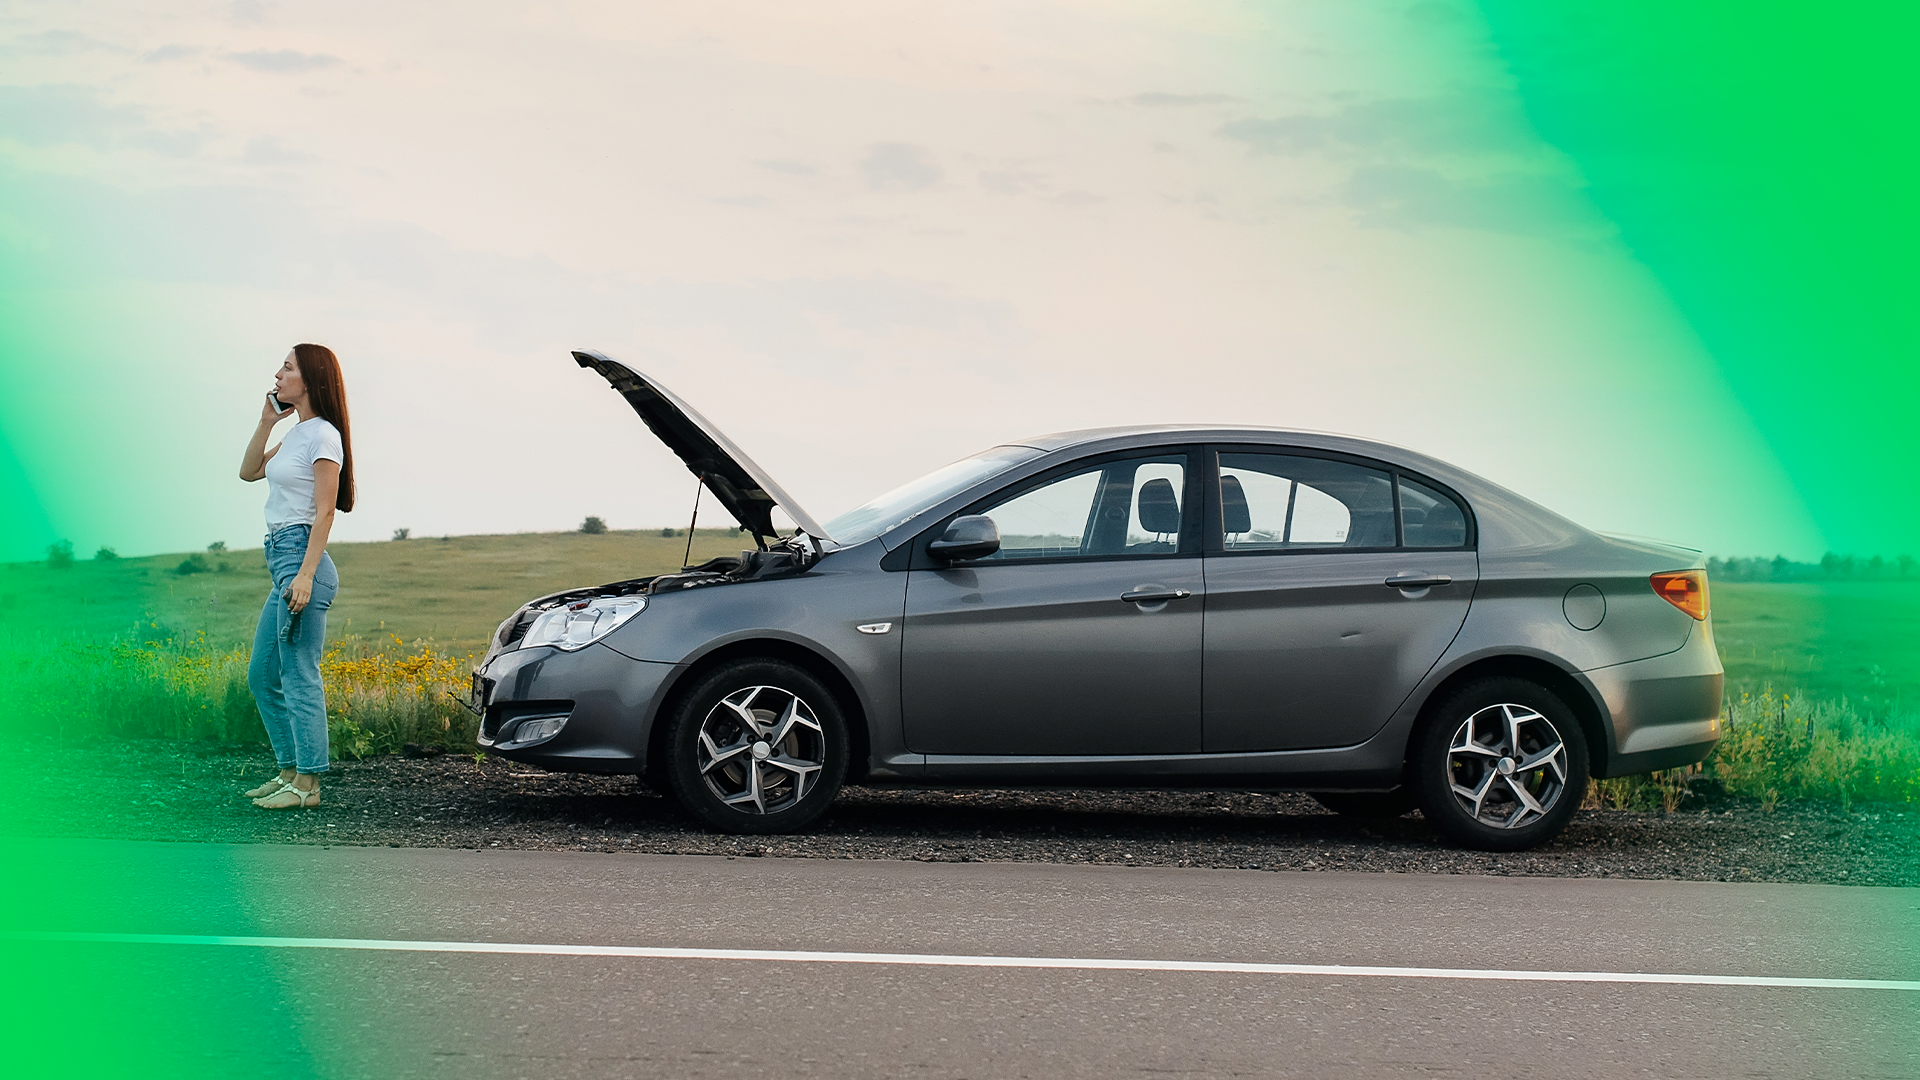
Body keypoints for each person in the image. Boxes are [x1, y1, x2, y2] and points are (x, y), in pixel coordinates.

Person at [237, 343, 356, 809]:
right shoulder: (297, 434)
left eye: (287, 367)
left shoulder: (324, 435)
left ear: (310, 380)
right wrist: (269, 421)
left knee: (299, 673)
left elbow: (325, 513)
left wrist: (305, 575)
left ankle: (308, 786)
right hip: (281, 561)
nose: (278, 374)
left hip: (301, 560)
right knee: (263, 675)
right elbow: (249, 472)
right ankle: (289, 772)